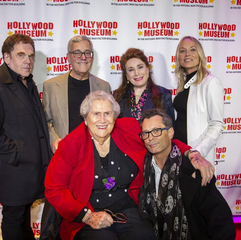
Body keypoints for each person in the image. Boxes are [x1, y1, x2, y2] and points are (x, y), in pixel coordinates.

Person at [44, 91, 198, 240]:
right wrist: (87, 216)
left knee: (146, 235)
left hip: (128, 208)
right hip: (89, 213)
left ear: (115, 117)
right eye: (96, 114)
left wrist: (191, 154)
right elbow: (54, 189)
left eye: (107, 113)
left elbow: (160, 141)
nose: (102, 120)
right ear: (85, 119)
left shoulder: (129, 129)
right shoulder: (71, 144)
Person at [0, 34, 51, 240]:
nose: (28, 60)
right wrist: (18, 154)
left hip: (34, 170)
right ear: (6, 57)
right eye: (21, 55)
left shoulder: (28, 83)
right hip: (14, 171)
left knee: (24, 219)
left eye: (31, 55)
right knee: (13, 220)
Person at [138, 108, 236, 240]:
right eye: (146, 133)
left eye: (157, 131)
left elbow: (220, 221)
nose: (150, 138)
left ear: (170, 132)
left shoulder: (194, 170)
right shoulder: (144, 168)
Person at [42, 35, 111, 154]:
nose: (83, 57)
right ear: (68, 57)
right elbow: (45, 121)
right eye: (77, 53)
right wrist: (54, 139)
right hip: (64, 154)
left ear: (92, 57)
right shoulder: (51, 86)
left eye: (87, 52)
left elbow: (110, 121)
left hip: (95, 156)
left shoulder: (104, 86)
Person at [173, 36, 224, 166]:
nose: (187, 54)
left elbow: (217, 124)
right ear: (178, 56)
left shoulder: (210, 83)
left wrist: (197, 151)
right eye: (182, 50)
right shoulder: (183, 85)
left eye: (192, 49)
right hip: (179, 152)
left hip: (196, 156)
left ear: (200, 54)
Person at [113, 48, 175, 124]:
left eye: (140, 67)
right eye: (131, 70)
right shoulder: (118, 96)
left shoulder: (164, 94)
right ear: (127, 75)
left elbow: (170, 129)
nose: (137, 73)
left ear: (148, 69)